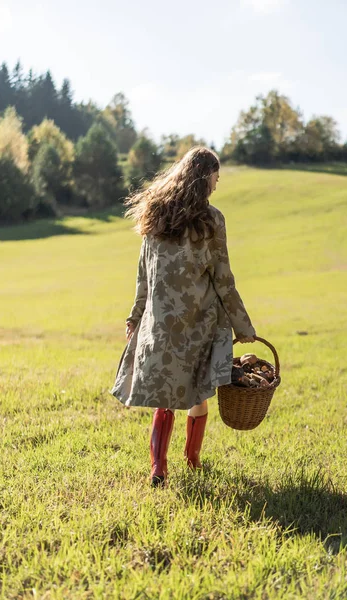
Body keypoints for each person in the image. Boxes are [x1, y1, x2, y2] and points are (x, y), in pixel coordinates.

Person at [109, 146, 256, 487]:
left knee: (166, 399)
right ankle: (192, 460)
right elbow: (223, 278)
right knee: (198, 394)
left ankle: (158, 469)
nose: (217, 187)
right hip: (199, 321)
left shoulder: (155, 214)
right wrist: (243, 326)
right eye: (216, 180)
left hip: (162, 323)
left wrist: (135, 317)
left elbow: (143, 274)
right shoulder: (212, 219)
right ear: (206, 179)